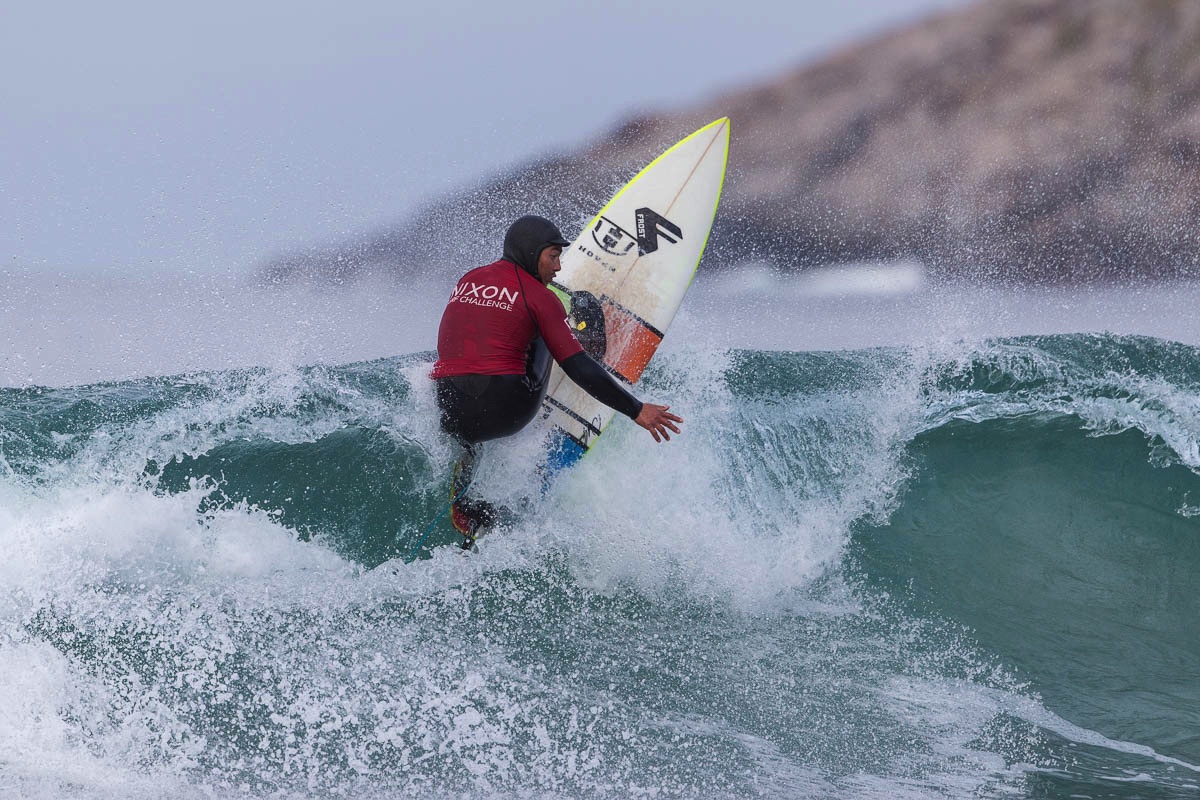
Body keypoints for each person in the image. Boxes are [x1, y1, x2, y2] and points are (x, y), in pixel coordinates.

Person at [431, 214, 683, 546]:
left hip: (448, 407)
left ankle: (468, 468)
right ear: (531, 253)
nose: (559, 268)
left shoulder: (469, 279)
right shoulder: (539, 296)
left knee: (484, 337)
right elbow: (577, 367)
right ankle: (585, 337)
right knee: (543, 330)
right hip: (505, 411)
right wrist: (635, 409)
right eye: (553, 256)